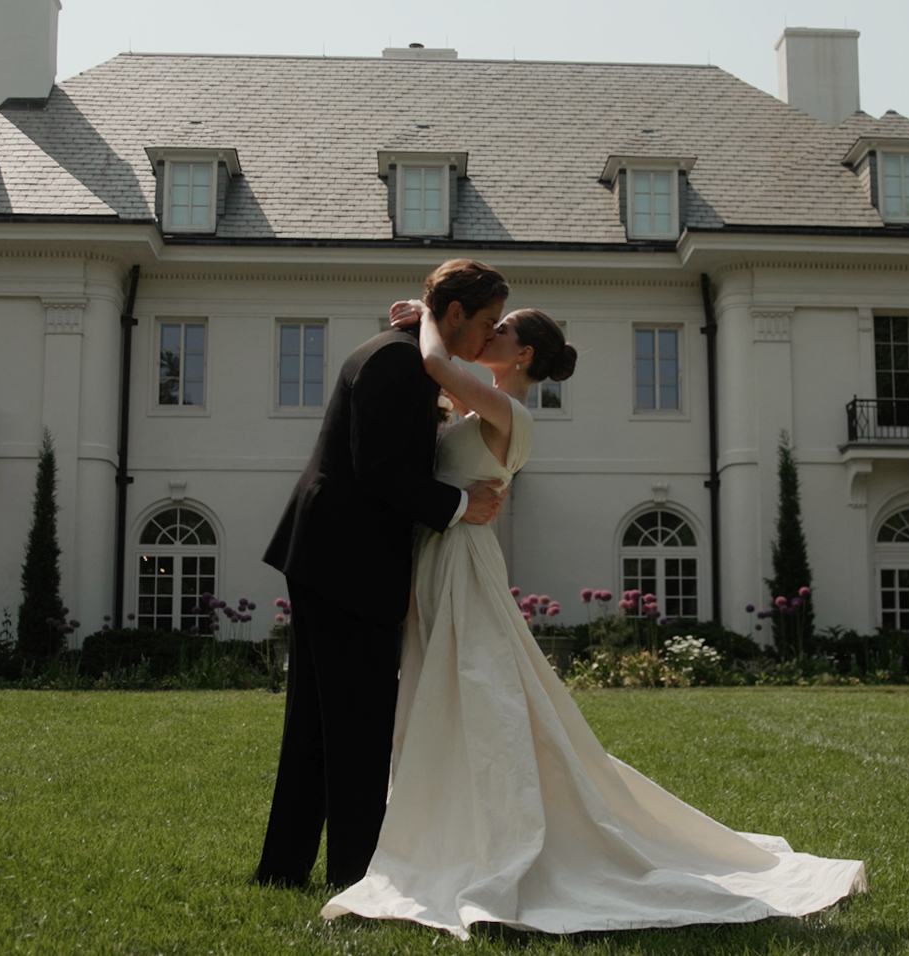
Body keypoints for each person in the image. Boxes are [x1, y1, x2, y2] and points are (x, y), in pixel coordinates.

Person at [322, 302, 867, 937]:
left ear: (522, 356)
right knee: (446, 684)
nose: (488, 334)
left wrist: (429, 314)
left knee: (481, 683)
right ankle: (443, 815)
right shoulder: (474, 407)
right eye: (486, 324)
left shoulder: (507, 410)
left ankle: (498, 830)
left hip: (462, 560)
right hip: (437, 554)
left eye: (499, 331)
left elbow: (435, 361)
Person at [255, 259, 512, 890]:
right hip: (347, 561)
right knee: (360, 728)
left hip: (330, 553)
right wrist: (460, 506)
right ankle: (356, 874)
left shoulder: (406, 356)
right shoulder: (396, 364)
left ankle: (286, 870)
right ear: (454, 314)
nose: (486, 338)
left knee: (317, 725)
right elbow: (380, 470)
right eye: (485, 323)